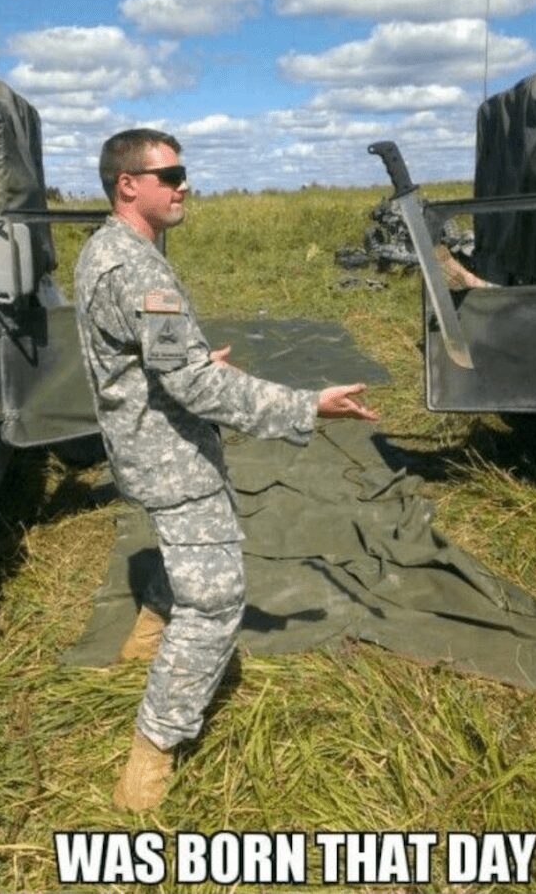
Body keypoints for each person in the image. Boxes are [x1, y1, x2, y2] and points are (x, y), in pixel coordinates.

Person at [74, 128, 379, 812]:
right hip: (171, 456)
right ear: (128, 183)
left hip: (137, 443)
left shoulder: (103, 249)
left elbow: (133, 357)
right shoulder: (136, 268)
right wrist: (309, 404)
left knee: (185, 555)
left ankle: (142, 638)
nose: (184, 184)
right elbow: (199, 392)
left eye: (184, 171)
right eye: (169, 173)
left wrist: (186, 367)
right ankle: (148, 758)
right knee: (213, 604)